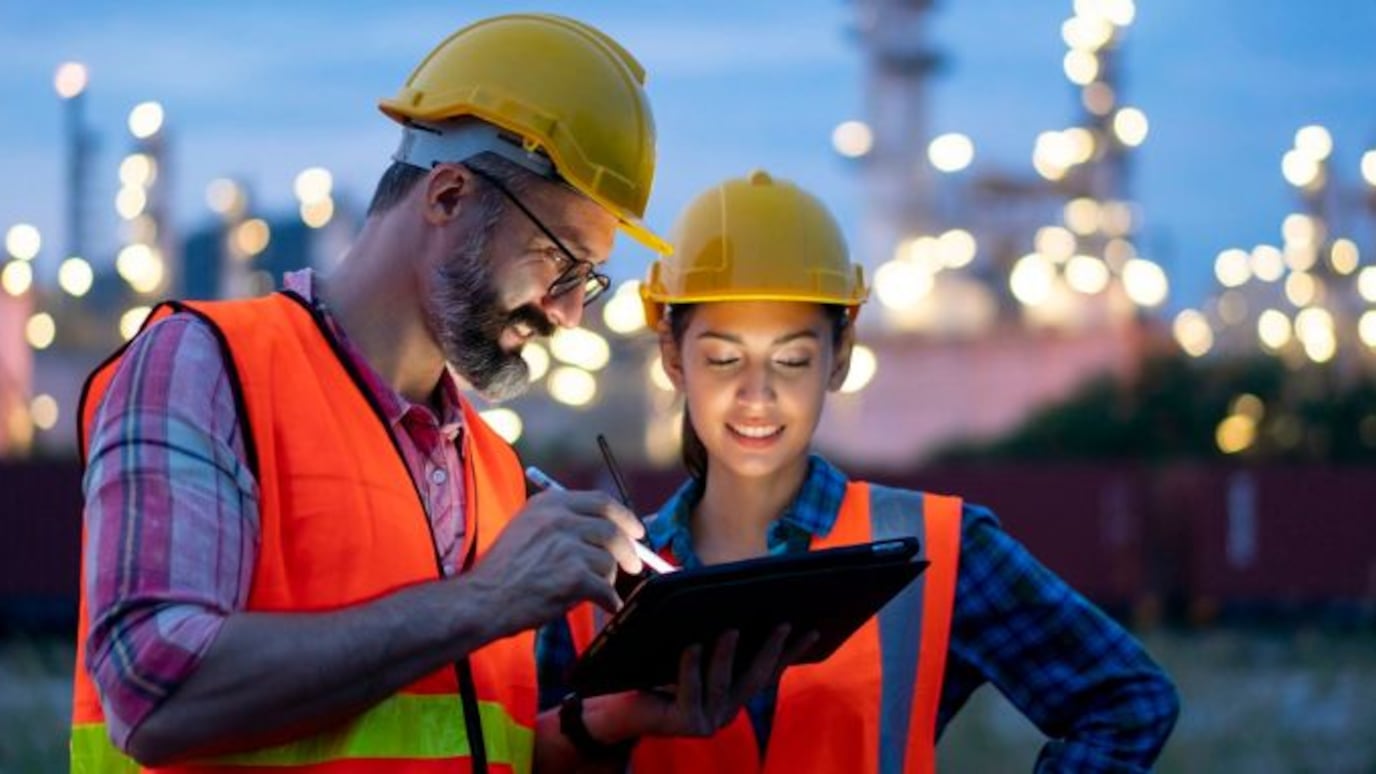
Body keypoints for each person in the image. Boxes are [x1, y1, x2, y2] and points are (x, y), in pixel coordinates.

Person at [71, 15, 793, 772]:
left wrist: (599, 725)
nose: (569, 312)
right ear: (448, 196)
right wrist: (485, 599)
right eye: (560, 261)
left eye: (589, 279)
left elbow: (445, 743)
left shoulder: (494, 474)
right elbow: (154, 693)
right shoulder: (207, 367)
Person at [539, 170, 1181, 772]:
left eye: (791, 360)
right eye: (723, 360)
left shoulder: (936, 547)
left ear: (839, 358)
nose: (757, 395)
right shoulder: (596, 580)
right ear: (674, 359)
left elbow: (1128, 702)